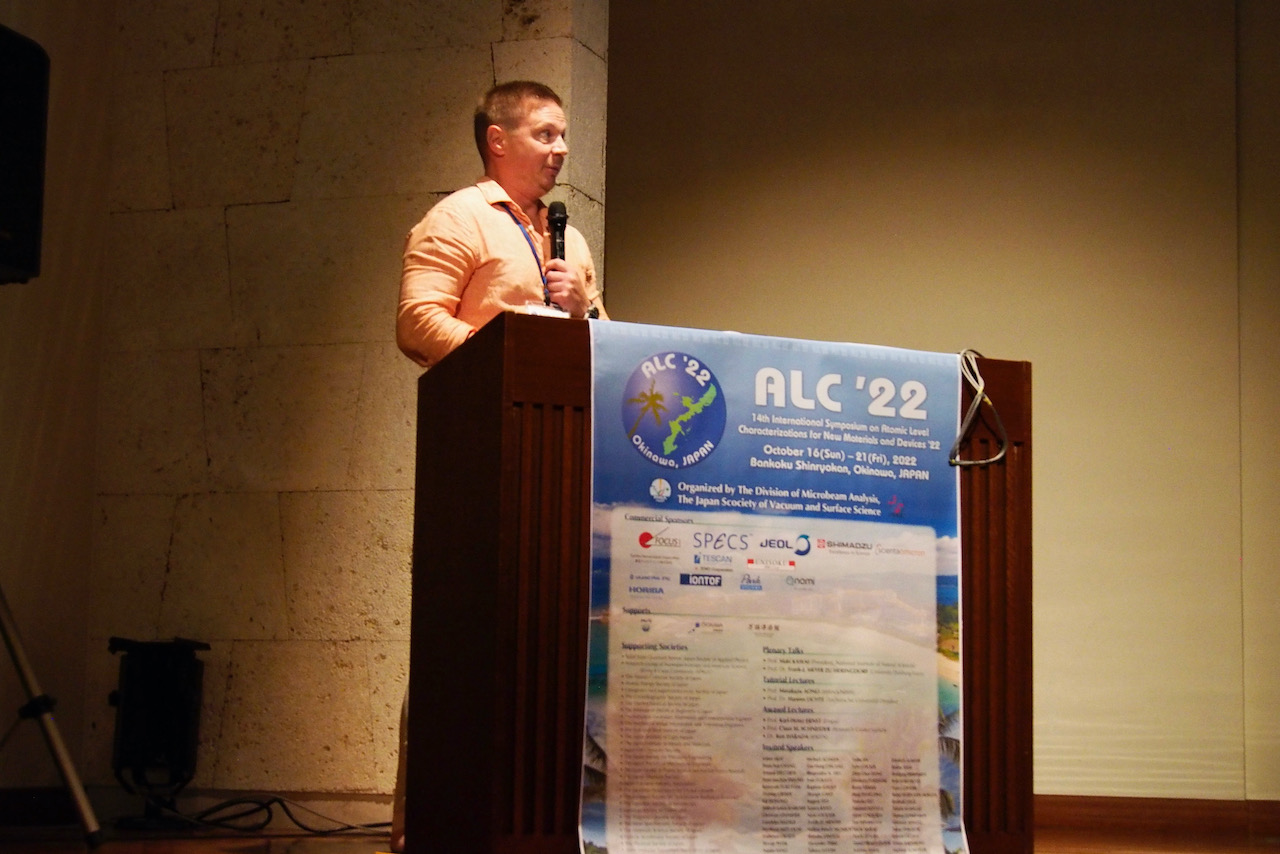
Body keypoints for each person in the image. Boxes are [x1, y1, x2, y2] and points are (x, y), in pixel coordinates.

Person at [397, 80, 608, 368]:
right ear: (497, 141)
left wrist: (585, 310)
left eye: (562, 136)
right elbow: (418, 324)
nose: (562, 148)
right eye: (545, 134)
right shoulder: (458, 217)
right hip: (487, 393)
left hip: (565, 395)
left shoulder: (571, 238)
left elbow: (610, 348)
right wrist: (509, 358)